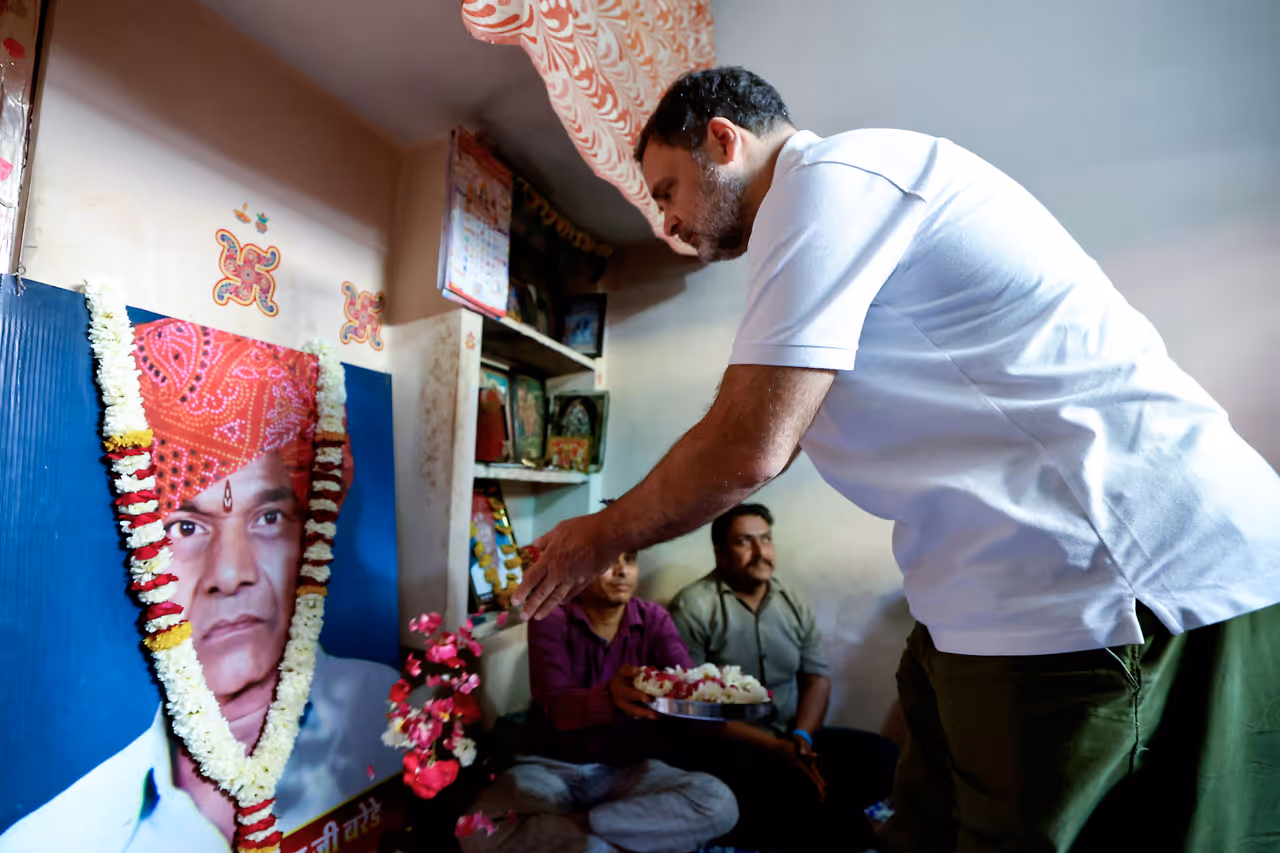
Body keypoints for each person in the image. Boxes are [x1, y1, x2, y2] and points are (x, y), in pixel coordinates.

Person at [512, 66, 1280, 852]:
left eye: (667, 190)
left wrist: (601, 533)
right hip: (989, 590)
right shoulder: (818, 208)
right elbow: (767, 428)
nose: (667, 223)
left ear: (722, 140)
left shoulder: (829, 181)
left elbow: (747, 444)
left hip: (1118, 574)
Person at [0, 321, 402, 853]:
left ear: (310, 534)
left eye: (268, 517)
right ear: (138, 551)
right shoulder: (55, 839)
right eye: (185, 528)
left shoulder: (395, 716)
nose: (232, 574)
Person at [461, 545, 738, 853]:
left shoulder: (653, 619)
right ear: (580, 571)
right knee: (475, 830)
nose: (622, 572)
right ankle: (612, 839)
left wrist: (710, 695)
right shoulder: (552, 617)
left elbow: (686, 686)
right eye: (608, 562)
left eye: (629, 560)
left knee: (719, 804)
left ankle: (584, 835)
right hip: (551, 768)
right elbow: (555, 708)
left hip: (626, 770)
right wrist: (609, 698)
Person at [668, 503, 897, 850]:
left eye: (766, 539)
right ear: (720, 552)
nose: (760, 552)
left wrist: (802, 737)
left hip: (793, 736)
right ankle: (834, 826)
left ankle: (818, 821)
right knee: (761, 785)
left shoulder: (792, 602)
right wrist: (775, 748)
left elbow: (817, 678)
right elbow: (695, 707)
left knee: (883, 757)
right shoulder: (693, 607)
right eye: (745, 541)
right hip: (734, 742)